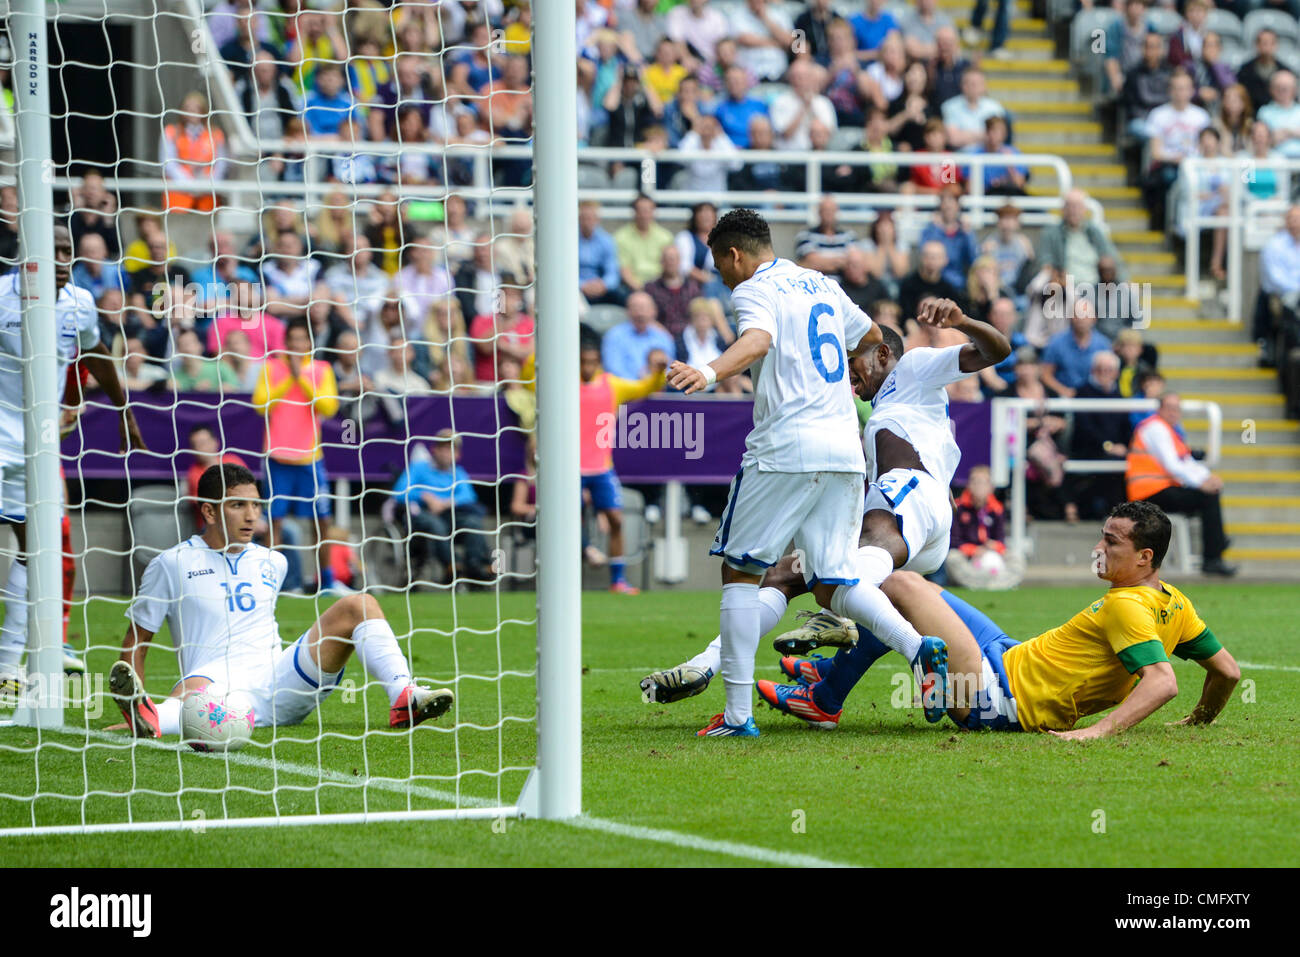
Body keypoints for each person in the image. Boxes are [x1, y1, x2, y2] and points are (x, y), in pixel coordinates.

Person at [653, 299, 1010, 732]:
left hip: (908, 496)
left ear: (882, 353)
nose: (849, 375)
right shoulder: (881, 408)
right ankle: (716, 665)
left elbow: (996, 351)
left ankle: (859, 630)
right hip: (919, 523)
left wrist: (963, 323)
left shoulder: (913, 367)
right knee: (785, 575)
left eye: (852, 361)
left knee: (839, 585)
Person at [660, 208, 893, 736]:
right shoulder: (821, 283)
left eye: (718, 262)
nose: (719, 274)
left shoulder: (752, 290)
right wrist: (860, 371)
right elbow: (874, 333)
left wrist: (707, 369)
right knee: (835, 581)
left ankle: (738, 717)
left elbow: (758, 341)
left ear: (734, 254)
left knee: (740, 572)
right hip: (843, 450)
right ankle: (918, 647)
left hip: (785, 447)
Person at [767, 502, 1240, 739]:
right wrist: (1198, 723)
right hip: (1009, 655)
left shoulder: (1126, 606)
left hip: (996, 698)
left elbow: (1162, 682)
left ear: (1145, 557)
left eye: (1112, 543)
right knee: (917, 586)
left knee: (902, 586)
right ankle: (829, 675)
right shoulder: (1176, 603)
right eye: (1103, 537)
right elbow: (1228, 671)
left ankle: (826, 697)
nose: (1100, 548)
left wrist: (1096, 733)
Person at [108, 463, 454, 741]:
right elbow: (135, 643)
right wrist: (131, 698)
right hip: (218, 689)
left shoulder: (273, 561)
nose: (251, 515)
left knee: (358, 604)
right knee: (193, 691)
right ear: (210, 513)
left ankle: (403, 696)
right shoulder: (171, 563)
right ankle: (148, 715)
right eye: (237, 505)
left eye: (256, 504)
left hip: (282, 678)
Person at [0, 225, 145, 695]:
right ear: (29, 250)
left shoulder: (79, 302)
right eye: (55, 247)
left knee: (36, 548)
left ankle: (7, 665)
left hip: (35, 449)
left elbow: (96, 352)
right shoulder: (2, 294)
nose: (64, 256)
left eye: (68, 249)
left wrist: (124, 411)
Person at [252, 318, 345, 595]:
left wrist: (300, 377)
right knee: (274, 521)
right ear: (286, 342)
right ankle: (270, 584)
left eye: (301, 339)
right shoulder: (271, 367)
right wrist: (289, 378)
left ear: (309, 343)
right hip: (276, 456)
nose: (296, 344)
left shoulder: (321, 369)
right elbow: (260, 404)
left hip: (310, 458)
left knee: (322, 521)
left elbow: (329, 406)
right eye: (291, 339)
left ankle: (326, 581)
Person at [576, 338, 669, 594]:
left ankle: (618, 580)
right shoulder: (564, 384)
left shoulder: (610, 384)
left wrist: (659, 372)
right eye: (584, 362)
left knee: (616, 520)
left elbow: (645, 387)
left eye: (593, 362)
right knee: (569, 521)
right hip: (570, 468)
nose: (588, 366)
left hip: (601, 466)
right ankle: (577, 561)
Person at [1126, 392, 1235, 576]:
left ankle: (1217, 544)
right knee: (1207, 498)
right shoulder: (1155, 428)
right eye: (1169, 408)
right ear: (1160, 409)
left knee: (1208, 494)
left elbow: (1185, 462)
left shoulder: (1168, 430)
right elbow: (1173, 464)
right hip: (1148, 492)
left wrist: (1207, 478)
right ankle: (1213, 554)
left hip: (1158, 488)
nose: (1173, 413)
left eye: (1176, 409)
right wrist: (1202, 483)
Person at [391, 431, 494, 585]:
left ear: (458, 454)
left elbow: (469, 495)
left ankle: (476, 567)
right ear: (435, 449)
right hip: (421, 515)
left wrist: (445, 503)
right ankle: (452, 566)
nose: (448, 453)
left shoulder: (458, 473)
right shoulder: (418, 468)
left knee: (473, 523)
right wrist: (425, 496)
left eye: (452, 449)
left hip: (449, 514)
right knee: (435, 525)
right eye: (444, 448)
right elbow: (399, 492)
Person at [160, 91, 228, 213]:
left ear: (203, 110)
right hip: (179, 190)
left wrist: (207, 184)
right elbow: (168, 164)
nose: (191, 112)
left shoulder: (216, 134)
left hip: (208, 190)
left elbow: (221, 165)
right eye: (187, 108)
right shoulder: (171, 131)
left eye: (196, 108)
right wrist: (188, 184)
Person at [1041, 299, 1112, 397]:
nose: (1081, 319)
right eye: (1077, 315)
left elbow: (1110, 375)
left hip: (1095, 399)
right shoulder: (1056, 342)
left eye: (1086, 315)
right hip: (1063, 399)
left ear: (1094, 318)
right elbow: (1046, 374)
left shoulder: (1103, 344)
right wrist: (1063, 390)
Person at [600, 291, 676, 380]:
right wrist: (642, 387)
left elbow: (670, 369)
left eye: (644, 308)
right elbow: (613, 370)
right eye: (635, 308)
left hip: (660, 390)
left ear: (654, 311)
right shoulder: (614, 335)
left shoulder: (662, 336)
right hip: (626, 390)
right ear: (627, 311)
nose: (640, 313)